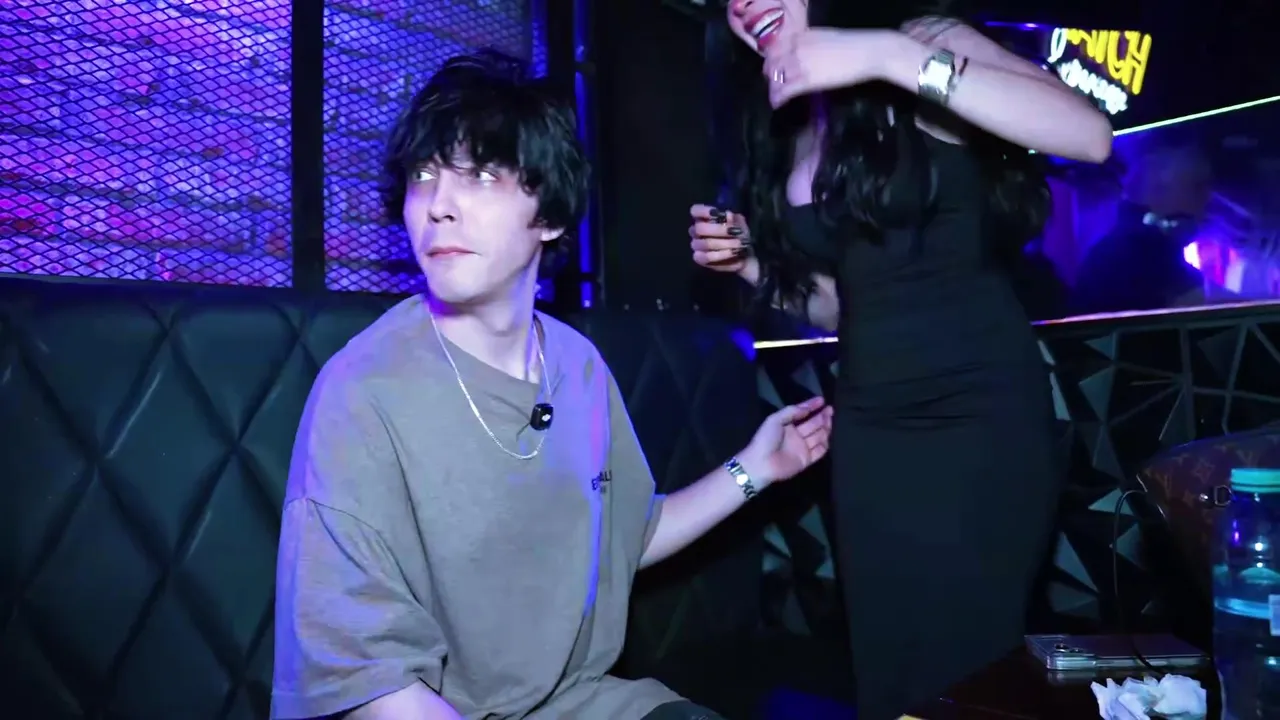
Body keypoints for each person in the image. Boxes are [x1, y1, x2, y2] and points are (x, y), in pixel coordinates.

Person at [271, 51, 833, 720]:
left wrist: (756, 469)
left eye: (482, 175)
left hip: (582, 702)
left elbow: (624, 538)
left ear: (551, 217)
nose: (439, 206)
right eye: (424, 176)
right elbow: (370, 683)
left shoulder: (576, 363)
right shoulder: (363, 391)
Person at [691, 1, 1113, 718]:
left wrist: (888, 56)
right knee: (887, 671)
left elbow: (1088, 135)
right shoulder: (792, 118)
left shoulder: (920, 40)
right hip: (872, 432)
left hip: (980, 418)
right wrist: (753, 265)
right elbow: (843, 307)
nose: (742, 3)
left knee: (967, 670)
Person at [1072, 145, 1211, 315]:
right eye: (1197, 187)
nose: (1207, 198)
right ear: (1157, 189)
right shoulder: (1147, 251)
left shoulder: (1116, 245)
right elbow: (1193, 302)